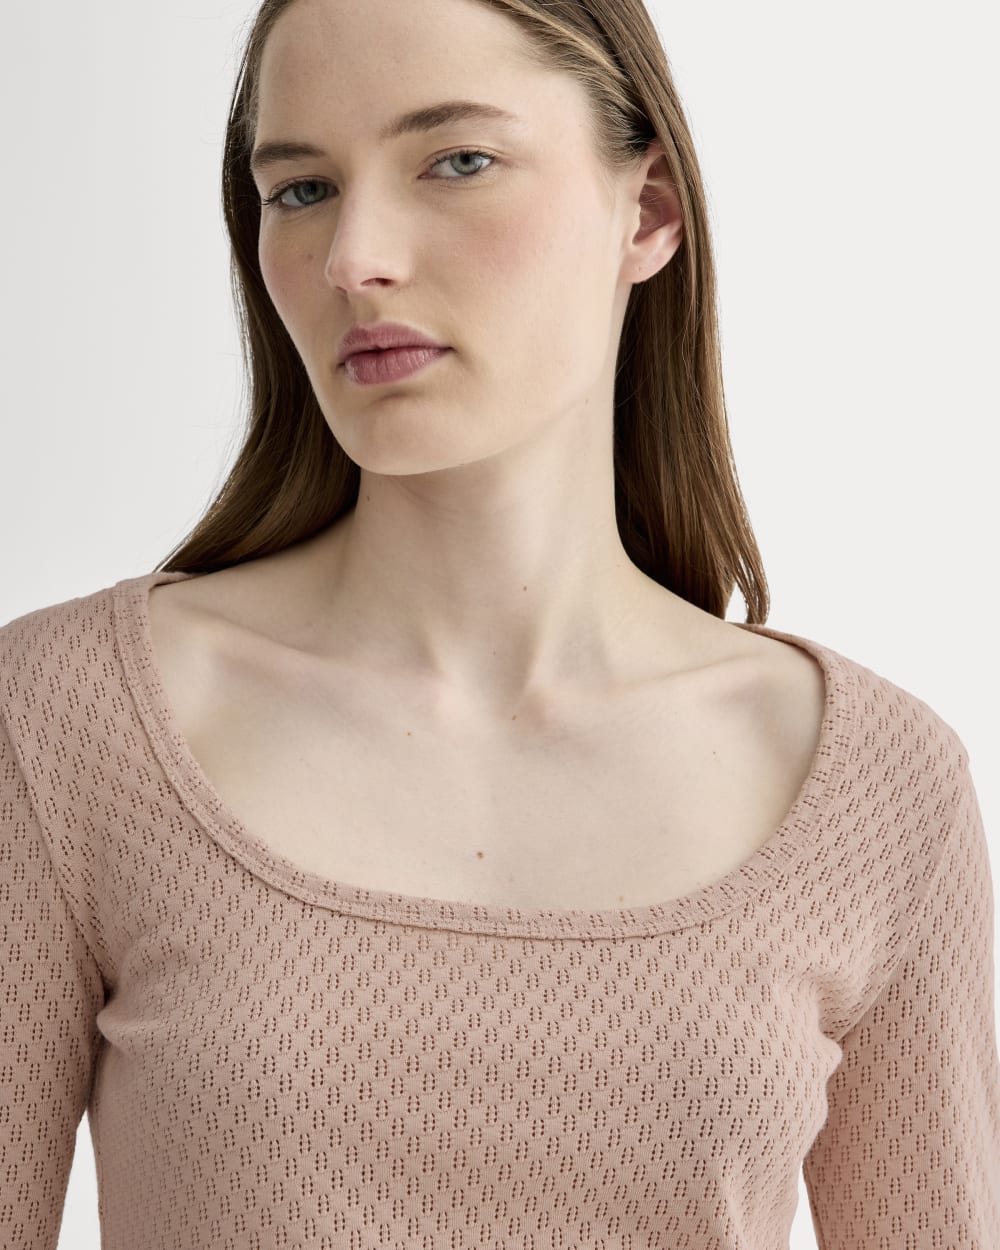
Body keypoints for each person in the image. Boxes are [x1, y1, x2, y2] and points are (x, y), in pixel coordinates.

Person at [2, 1, 997, 1247]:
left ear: (647, 211)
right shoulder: (68, 721)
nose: (353, 257)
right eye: (301, 188)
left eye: (457, 160)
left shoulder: (875, 788)